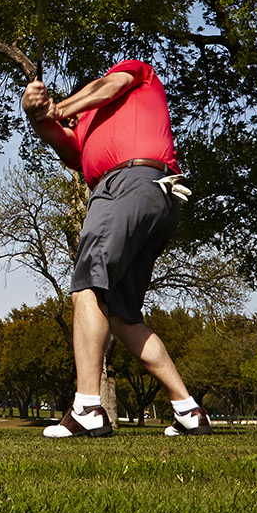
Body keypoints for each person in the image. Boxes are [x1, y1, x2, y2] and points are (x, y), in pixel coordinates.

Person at [21, 60, 212, 437]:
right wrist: (37, 116)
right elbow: (62, 142)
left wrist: (57, 108)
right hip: (155, 195)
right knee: (123, 315)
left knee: (88, 287)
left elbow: (109, 85)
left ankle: (88, 407)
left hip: (127, 182)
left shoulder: (135, 74)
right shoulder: (86, 125)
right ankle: (189, 410)